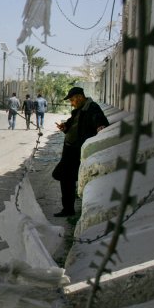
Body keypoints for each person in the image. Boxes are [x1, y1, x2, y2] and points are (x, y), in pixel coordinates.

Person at [52, 86, 109, 217]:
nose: (71, 103)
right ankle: (70, 204)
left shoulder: (92, 108)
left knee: (64, 176)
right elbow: (72, 124)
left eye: (72, 100)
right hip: (70, 151)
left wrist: (100, 128)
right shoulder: (79, 110)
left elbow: (100, 122)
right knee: (64, 176)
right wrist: (65, 126)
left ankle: (68, 209)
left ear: (79, 97)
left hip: (77, 152)